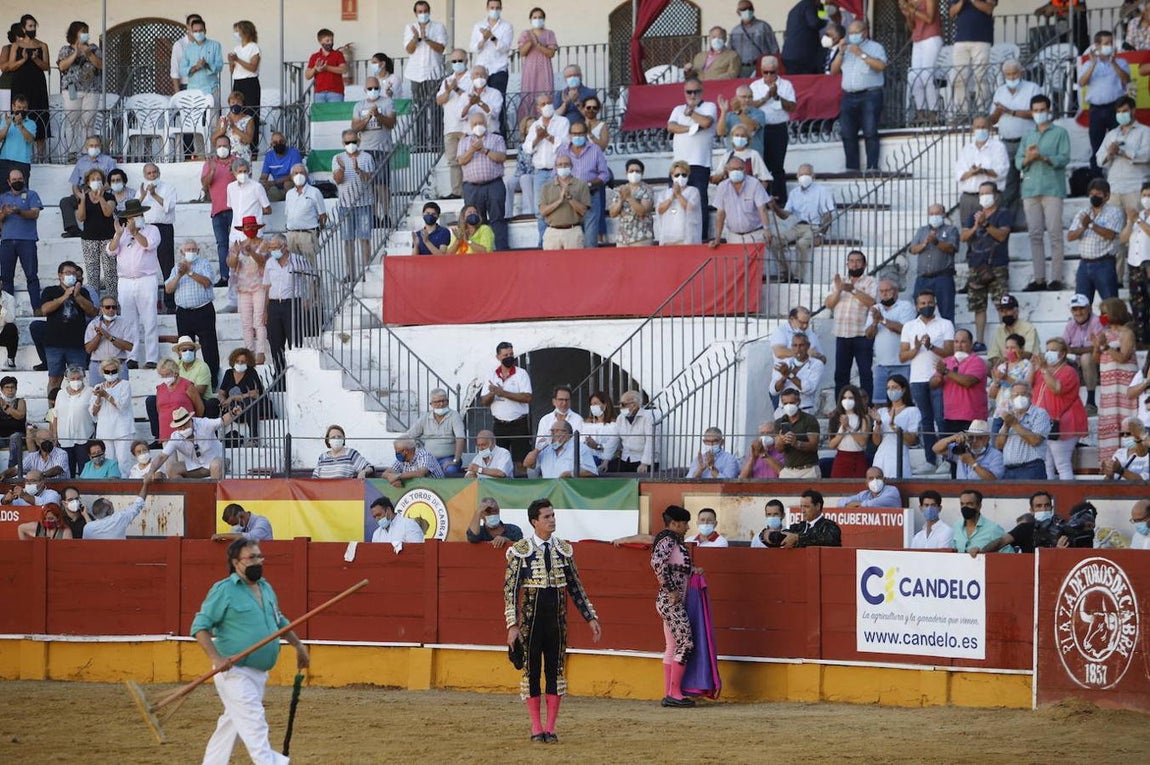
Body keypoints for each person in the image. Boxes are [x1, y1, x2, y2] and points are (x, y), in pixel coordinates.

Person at [191, 536, 308, 765]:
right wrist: (217, 659)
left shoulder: (265, 588)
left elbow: (280, 622)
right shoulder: (224, 590)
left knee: (232, 725)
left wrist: (298, 645)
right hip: (234, 671)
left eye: (259, 556)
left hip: (258, 673)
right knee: (254, 723)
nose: (258, 561)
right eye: (252, 557)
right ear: (236, 562)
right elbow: (199, 627)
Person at [504, 499, 601, 742]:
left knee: (556, 672)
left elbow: (575, 587)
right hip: (530, 622)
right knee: (532, 672)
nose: (552, 520)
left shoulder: (564, 550)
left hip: (557, 623)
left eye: (553, 515)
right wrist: (513, 626)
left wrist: (590, 617)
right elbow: (511, 591)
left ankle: (551, 728)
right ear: (534, 521)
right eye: (547, 517)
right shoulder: (520, 551)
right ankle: (536, 728)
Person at [1016, 94, 1070, 292]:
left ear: (1049, 111)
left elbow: (1064, 158)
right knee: (1035, 235)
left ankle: (1055, 278)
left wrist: (1044, 157)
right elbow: (1017, 162)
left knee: (1055, 234)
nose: (1039, 114)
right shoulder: (1027, 136)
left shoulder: (1060, 133)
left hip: (1052, 188)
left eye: (1042, 110)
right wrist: (1029, 158)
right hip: (1030, 189)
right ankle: (1039, 278)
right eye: (1035, 110)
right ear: (1031, 112)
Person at [900, 289, 954, 473]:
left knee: (941, 419)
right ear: (916, 306)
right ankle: (930, 461)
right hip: (917, 379)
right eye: (922, 303)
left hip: (939, 378)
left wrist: (931, 346)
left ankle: (947, 459)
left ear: (935, 303)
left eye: (930, 302)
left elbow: (949, 352)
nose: (926, 306)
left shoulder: (945, 324)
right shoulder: (909, 326)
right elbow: (902, 356)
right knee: (926, 421)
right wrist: (916, 349)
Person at [650, 504, 698, 708]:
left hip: (669, 601)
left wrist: (693, 570)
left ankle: (670, 692)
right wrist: (671, 590)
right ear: (674, 523)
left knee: (672, 646)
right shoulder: (668, 539)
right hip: (671, 602)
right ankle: (675, 693)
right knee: (685, 644)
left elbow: (672, 567)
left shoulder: (673, 540)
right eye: (685, 523)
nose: (687, 527)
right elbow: (657, 564)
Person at [106, 198, 159, 371]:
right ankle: (132, 356)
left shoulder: (152, 230)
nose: (134, 218)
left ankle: (152, 357)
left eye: (137, 215)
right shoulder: (122, 233)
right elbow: (111, 251)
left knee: (149, 319)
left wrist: (136, 232)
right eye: (131, 216)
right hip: (126, 281)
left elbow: (148, 245)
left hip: (146, 279)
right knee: (129, 322)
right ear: (127, 218)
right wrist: (120, 234)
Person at [960, 182, 1012, 348]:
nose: (983, 196)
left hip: (997, 265)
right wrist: (976, 225)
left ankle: (1006, 341)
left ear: (995, 195)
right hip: (976, 266)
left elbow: (1001, 236)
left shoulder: (1003, 214)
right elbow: (963, 237)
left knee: (1001, 305)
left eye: (986, 193)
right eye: (981, 193)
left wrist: (986, 224)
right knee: (978, 306)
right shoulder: (973, 216)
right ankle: (980, 341)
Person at [832, 20, 887, 173]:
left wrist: (860, 54)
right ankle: (852, 168)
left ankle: (872, 167)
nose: (852, 36)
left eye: (855, 32)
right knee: (847, 132)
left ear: (864, 33)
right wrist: (842, 52)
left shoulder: (876, 47)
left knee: (870, 131)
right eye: (850, 33)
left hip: (870, 94)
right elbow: (834, 70)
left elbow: (881, 66)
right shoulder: (845, 49)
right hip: (848, 96)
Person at [989, 59, 1041, 216]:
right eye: (1008, 74)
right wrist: (998, 112)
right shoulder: (1000, 91)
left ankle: (1034, 215)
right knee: (1009, 183)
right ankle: (1008, 220)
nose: (1011, 77)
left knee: (1032, 178)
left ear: (1021, 73)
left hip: (1028, 141)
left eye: (1014, 73)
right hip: (1006, 142)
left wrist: (1010, 111)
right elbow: (992, 120)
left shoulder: (1033, 89)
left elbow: (1037, 114)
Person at [666, 79, 717, 240]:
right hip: (678, 166)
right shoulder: (677, 109)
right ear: (684, 92)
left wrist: (691, 114)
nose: (693, 95)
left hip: (700, 163)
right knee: (674, 200)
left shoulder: (709, 106)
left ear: (702, 91)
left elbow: (707, 122)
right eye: (689, 92)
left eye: (696, 91)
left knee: (699, 203)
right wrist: (693, 128)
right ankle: (675, 235)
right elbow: (671, 127)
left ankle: (700, 237)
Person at [768, 164, 835, 283]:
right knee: (774, 242)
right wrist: (774, 206)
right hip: (798, 226)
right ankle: (785, 272)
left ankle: (798, 276)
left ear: (813, 176)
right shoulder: (794, 193)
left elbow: (828, 215)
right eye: (802, 174)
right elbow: (784, 215)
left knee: (801, 244)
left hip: (814, 227)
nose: (804, 176)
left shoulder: (822, 191)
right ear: (797, 176)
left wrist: (821, 235)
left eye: (807, 174)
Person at [165, 243, 220, 388]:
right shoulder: (176, 267)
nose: (190, 252)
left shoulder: (204, 264)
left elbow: (208, 282)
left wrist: (190, 272)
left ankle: (212, 380)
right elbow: (168, 289)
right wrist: (179, 275)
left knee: (209, 347)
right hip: (183, 313)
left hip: (203, 311)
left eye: (193, 249)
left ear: (198, 250)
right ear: (182, 251)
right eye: (188, 249)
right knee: (184, 347)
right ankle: (184, 381)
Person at [1033, 337, 1089, 480]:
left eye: (1053, 350)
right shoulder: (1042, 371)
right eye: (1047, 350)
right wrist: (1033, 367)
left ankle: (1069, 499)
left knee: (1062, 464)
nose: (1048, 353)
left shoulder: (1068, 371)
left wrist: (1044, 369)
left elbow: (1057, 388)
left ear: (1063, 353)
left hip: (1065, 423)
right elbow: (1027, 386)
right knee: (1047, 465)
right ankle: (1050, 499)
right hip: (1045, 424)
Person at [825, 250, 877, 398]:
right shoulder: (840, 280)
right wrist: (839, 290)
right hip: (842, 334)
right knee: (841, 374)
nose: (854, 264)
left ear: (865, 264)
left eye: (858, 261)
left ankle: (867, 409)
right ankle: (840, 410)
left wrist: (852, 289)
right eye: (851, 261)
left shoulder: (870, 281)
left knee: (865, 373)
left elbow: (871, 302)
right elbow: (829, 304)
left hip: (862, 335)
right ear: (847, 264)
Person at [42, 261, 98, 394]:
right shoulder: (50, 291)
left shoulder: (82, 291)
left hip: (77, 344)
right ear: (60, 276)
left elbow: (92, 312)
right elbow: (44, 310)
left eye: (73, 273)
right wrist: (64, 296)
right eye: (67, 273)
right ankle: (52, 411)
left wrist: (77, 296)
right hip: (54, 344)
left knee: (77, 379)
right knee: (54, 379)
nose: (71, 276)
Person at [1079, 30, 1131, 173]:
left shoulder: (1121, 62)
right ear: (1097, 45)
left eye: (1111, 43)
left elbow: (1126, 79)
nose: (1110, 45)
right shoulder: (1088, 64)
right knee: (1097, 145)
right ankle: (1097, 179)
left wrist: (1113, 63)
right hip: (1096, 110)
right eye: (1106, 43)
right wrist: (1093, 64)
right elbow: (1082, 82)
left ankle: (1122, 173)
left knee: (1120, 142)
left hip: (1116, 109)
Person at [147, 404, 244, 480]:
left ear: (190, 420)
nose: (183, 428)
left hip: (216, 462)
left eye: (185, 425)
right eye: (180, 427)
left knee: (216, 465)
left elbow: (222, 421)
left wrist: (233, 413)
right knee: (172, 470)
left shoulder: (204, 424)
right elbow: (162, 456)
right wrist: (151, 471)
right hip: (194, 467)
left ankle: (214, 497)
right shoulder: (176, 436)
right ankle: (188, 494)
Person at [1095, 297, 1138, 462]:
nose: (1103, 316)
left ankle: (1131, 460)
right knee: (1110, 423)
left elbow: (1123, 357)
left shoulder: (1127, 333)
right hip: (1108, 386)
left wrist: (1105, 346)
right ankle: (1110, 462)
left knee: (1126, 420)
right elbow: (1096, 359)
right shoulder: (1103, 334)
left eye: (1105, 313)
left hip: (1124, 383)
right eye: (1101, 313)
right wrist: (1096, 346)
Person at [1068, 178, 1124, 303]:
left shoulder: (1114, 212)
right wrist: (1083, 227)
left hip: (1104, 263)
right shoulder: (1083, 212)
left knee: (1110, 305)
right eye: (1092, 194)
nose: (1094, 197)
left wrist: (1091, 224)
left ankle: (1110, 323)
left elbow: (1110, 234)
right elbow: (1070, 236)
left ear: (1107, 196)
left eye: (1098, 194)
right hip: (1084, 264)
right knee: (1081, 304)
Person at [459, 112, 509, 251]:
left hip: (494, 184)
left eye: (480, 123)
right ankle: (478, 251)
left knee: (497, 218)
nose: (478, 126)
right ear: (470, 126)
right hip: (472, 187)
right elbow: (461, 160)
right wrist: (472, 149)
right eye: (475, 124)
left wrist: (484, 150)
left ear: (486, 124)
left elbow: (501, 157)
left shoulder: (496, 139)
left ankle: (501, 251)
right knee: (474, 221)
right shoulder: (464, 142)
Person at [748, 56, 794, 203]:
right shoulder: (755, 86)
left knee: (777, 166)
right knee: (761, 165)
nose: (768, 76)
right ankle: (762, 199)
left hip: (778, 128)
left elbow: (792, 107)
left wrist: (778, 97)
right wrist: (766, 98)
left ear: (777, 71)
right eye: (765, 72)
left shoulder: (786, 85)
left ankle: (780, 200)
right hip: (760, 130)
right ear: (761, 71)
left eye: (771, 72)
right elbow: (748, 105)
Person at [931, 328, 988, 447]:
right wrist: (940, 375)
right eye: (956, 342)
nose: (959, 345)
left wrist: (946, 371)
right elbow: (933, 384)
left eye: (963, 342)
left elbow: (968, 382)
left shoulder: (977, 361)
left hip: (973, 418)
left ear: (971, 344)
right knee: (952, 455)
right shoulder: (947, 361)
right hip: (950, 416)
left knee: (972, 453)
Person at [954, 116, 1010, 235]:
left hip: (991, 198)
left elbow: (1001, 172)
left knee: (993, 232)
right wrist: (972, 172)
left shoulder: (998, 147)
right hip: (970, 198)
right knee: (969, 233)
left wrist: (984, 171)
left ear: (990, 128)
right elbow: (959, 175)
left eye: (983, 127)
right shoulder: (967, 149)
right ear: (973, 129)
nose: (980, 130)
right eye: (977, 127)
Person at [332, 129, 376, 280]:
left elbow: (369, 179)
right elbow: (337, 180)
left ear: (359, 141)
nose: (351, 144)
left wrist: (358, 170)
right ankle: (350, 273)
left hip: (364, 204)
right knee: (348, 241)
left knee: (364, 239)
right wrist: (343, 169)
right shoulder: (337, 158)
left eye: (353, 141)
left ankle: (367, 271)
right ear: (342, 143)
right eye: (347, 142)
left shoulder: (367, 158)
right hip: (345, 205)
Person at [558, 121, 609, 249]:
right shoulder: (563, 150)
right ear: (570, 135)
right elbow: (555, 173)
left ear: (586, 134)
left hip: (590, 194)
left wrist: (590, 183)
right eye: (574, 134)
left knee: (590, 236)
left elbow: (604, 174)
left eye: (580, 133)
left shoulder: (595, 149)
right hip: (569, 197)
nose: (577, 136)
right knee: (571, 236)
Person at [57, 21, 103, 159]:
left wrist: (88, 54)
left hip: (91, 90)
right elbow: (62, 66)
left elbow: (100, 65)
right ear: (74, 33)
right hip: (72, 90)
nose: (85, 34)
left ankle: (87, 151)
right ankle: (71, 152)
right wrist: (76, 53)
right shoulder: (66, 50)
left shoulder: (94, 48)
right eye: (82, 31)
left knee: (88, 122)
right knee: (72, 121)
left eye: (86, 31)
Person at [404, 1, 448, 145]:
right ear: (415, 13)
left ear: (429, 11)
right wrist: (416, 39)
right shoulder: (410, 28)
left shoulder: (438, 27)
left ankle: (436, 143)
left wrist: (427, 39)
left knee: (436, 110)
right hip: (416, 74)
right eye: (420, 11)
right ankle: (420, 143)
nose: (423, 14)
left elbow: (441, 48)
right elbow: (409, 50)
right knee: (419, 110)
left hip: (433, 73)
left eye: (425, 11)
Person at [483, 342, 533, 468]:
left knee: (521, 463)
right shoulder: (491, 375)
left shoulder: (521, 374)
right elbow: (484, 401)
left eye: (511, 354)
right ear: (498, 357)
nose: (509, 357)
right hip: (499, 424)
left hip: (519, 424)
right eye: (505, 355)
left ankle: (522, 486)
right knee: (498, 462)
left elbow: (527, 397)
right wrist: (493, 393)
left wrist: (503, 393)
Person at [0, 167, 42, 317]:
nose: (17, 181)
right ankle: (7, 311)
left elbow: (35, 213)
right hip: (7, 241)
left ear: (23, 179)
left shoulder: (32, 194)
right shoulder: (3, 198)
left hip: (27, 240)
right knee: (6, 278)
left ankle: (37, 308)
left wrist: (19, 212)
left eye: (19, 179)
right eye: (14, 180)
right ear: (8, 182)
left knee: (31, 275)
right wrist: (4, 213)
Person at [969, 491, 1066, 556]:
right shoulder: (1024, 529)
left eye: (1047, 505)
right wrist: (982, 551)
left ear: (1052, 509)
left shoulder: (1063, 528)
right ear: (1032, 511)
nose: (1043, 509)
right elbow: (1001, 541)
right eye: (1039, 506)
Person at [58, 134, 117, 240]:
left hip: (100, 192)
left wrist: (100, 190)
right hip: (83, 191)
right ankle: (72, 229)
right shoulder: (81, 162)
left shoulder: (109, 161)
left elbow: (112, 181)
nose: (94, 148)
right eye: (91, 146)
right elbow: (75, 183)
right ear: (86, 147)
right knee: (65, 202)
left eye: (96, 145)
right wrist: (79, 196)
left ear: (101, 146)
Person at [868, 279, 916, 405]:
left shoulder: (906, 306)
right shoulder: (875, 308)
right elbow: (868, 335)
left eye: (888, 290)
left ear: (896, 292)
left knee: (904, 401)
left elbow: (905, 330)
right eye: (881, 291)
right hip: (881, 365)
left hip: (902, 364)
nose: (884, 294)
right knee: (879, 402)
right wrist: (874, 322)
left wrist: (882, 320)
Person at [470, 0, 514, 137]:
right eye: (492, 7)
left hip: (498, 69)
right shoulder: (478, 25)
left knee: (497, 106)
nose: (494, 10)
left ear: (501, 8)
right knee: (479, 103)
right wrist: (483, 39)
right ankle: (480, 135)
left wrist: (492, 38)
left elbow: (505, 48)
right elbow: (473, 48)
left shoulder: (507, 26)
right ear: (487, 8)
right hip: (482, 71)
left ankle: (500, 138)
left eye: (497, 8)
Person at [709, 156, 772, 251]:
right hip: (733, 237)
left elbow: (762, 208)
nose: (736, 171)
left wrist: (767, 229)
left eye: (740, 169)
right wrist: (717, 238)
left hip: (755, 235)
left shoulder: (754, 184)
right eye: (733, 169)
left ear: (745, 169)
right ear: (727, 170)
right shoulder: (722, 187)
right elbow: (720, 214)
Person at [8, 16, 49, 161]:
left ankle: (41, 156)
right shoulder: (16, 45)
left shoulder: (42, 45)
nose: (32, 29)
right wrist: (23, 59)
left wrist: (36, 59)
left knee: (40, 115)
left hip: (37, 84)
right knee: (21, 114)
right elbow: (10, 66)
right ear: (24, 28)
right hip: (20, 83)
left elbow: (46, 67)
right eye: (30, 26)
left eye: (34, 26)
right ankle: (19, 152)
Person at [908, 203, 959, 322]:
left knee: (947, 312)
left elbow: (952, 248)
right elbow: (912, 249)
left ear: (944, 214)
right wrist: (924, 244)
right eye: (931, 214)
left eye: (937, 213)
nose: (934, 216)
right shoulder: (922, 231)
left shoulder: (951, 230)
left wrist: (936, 242)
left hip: (943, 277)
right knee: (920, 312)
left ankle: (949, 338)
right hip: (923, 278)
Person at [75, 167, 118, 298]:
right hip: (89, 240)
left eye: (99, 179)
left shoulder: (110, 197)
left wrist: (100, 198)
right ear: (88, 182)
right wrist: (82, 200)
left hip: (108, 239)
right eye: (93, 179)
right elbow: (81, 217)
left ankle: (113, 304)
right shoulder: (84, 198)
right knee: (92, 274)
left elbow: (108, 212)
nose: (96, 181)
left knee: (110, 274)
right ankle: (94, 304)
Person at [994, 381, 1051, 479]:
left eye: (1023, 394)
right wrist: (1007, 426)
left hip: (1031, 468)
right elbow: (999, 445)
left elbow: (1035, 440)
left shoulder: (1040, 414)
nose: (1019, 397)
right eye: (1016, 395)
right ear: (1011, 398)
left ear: (1030, 396)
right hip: (1009, 470)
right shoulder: (1010, 414)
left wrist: (1014, 424)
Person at [948, 0, 995, 117]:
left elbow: (989, 9)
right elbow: (951, 12)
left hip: (982, 39)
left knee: (981, 77)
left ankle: (982, 111)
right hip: (961, 39)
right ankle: (961, 113)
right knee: (959, 77)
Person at [201, 136, 236, 288]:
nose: (222, 148)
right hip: (217, 211)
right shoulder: (209, 164)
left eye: (225, 145)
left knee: (237, 243)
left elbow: (244, 179)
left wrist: (233, 171)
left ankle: (237, 276)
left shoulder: (237, 161)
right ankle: (224, 276)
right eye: (219, 145)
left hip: (236, 210)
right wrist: (212, 171)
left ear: (230, 146)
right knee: (222, 245)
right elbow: (204, 184)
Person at [88, 358, 133, 474]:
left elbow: (122, 405)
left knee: (124, 461)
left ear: (118, 370)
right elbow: (93, 412)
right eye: (107, 372)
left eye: (113, 371)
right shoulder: (98, 387)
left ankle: (126, 487)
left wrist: (106, 395)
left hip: (122, 428)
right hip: (105, 429)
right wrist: (99, 396)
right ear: (102, 372)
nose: (111, 374)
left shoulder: (125, 385)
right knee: (108, 461)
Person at [438, 48, 473, 199]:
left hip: (466, 125)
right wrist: (448, 91)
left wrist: (456, 89)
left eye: (460, 60)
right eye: (454, 61)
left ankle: (470, 189)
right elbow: (439, 100)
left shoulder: (472, 78)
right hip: (450, 126)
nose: (457, 63)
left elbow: (471, 97)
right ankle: (457, 191)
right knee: (453, 161)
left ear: (466, 61)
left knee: (468, 158)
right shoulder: (447, 80)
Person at [872, 374, 922, 479]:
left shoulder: (912, 411)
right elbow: (876, 442)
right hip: (881, 456)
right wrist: (878, 424)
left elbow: (911, 440)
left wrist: (895, 427)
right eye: (888, 388)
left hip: (899, 456)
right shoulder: (882, 411)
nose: (891, 391)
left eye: (894, 387)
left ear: (903, 390)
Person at [405, 389, 465, 476]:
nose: (441, 404)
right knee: (416, 472)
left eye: (443, 401)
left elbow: (460, 438)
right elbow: (409, 435)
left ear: (447, 402)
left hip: (448, 458)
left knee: (450, 471)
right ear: (431, 404)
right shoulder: (425, 417)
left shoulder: (454, 416)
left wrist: (455, 460)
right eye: (437, 402)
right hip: (427, 459)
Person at [1062, 294, 1104, 415]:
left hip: (1097, 361)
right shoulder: (1070, 324)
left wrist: (1074, 350)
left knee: (1086, 357)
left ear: (1089, 308)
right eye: (1075, 309)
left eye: (1081, 308)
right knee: (1055, 358)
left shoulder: (1097, 321)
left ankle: (1091, 402)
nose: (1078, 312)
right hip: (1078, 364)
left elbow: (1097, 347)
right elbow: (1063, 346)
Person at [901, 0, 942, 121]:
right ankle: (921, 112)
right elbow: (912, 26)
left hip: (931, 38)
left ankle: (934, 112)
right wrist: (908, 15)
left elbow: (929, 18)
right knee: (915, 77)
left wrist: (913, 10)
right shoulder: (911, 2)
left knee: (926, 76)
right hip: (917, 40)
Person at [538, 154, 590, 250]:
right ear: (555, 167)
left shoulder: (581, 185)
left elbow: (583, 211)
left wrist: (570, 198)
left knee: (574, 265)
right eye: (560, 164)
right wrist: (559, 201)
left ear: (571, 166)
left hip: (573, 231)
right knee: (551, 264)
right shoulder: (546, 187)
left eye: (566, 164)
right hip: (552, 232)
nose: (563, 167)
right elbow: (543, 211)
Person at [516, 8, 558, 123]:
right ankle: (527, 127)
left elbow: (551, 53)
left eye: (540, 17)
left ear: (544, 19)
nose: (537, 19)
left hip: (544, 70)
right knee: (528, 97)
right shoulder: (525, 34)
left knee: (545, 95)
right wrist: (530, 41)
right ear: (530, 19)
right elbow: (522, 52)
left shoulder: (549, 34)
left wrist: (538, 44)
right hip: (530, 71)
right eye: (535, 17)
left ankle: (547, 123)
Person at [217, 348, 263, 445]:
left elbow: (255, 393)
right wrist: (222, 399)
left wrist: (233, 398)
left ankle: (254, 438)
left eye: (243, 362)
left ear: (248, 362)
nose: (240, 364)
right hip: (231, 411)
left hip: (247, 411)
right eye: (237, 361)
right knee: (212, 403)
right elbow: (221, 392)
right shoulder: (229, 373)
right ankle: (215, 438)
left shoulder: (251, 373)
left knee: (249, 401)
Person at [53, 366, 94, 476]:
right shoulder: (61, 393)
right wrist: (55, 435)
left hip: (84, 436)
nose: (76, 381)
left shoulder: (90, 391)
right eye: (73, 378)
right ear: (67, 379)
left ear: (83, 378)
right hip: (64, 438)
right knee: (66, 469)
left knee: (84, 468)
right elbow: (55, 415)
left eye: (78, 378)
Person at [771, 332, 825, 414]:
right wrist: (784, 377)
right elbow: (773, 390)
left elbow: (808, 389)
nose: (798, 349)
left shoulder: (816, 364)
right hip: (783, 411)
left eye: (801, 345)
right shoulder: (784, 363)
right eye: (795, 345)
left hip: (805, 410)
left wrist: (790, 374)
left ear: (808, 346)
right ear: (791, 347)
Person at [988, 331, 1032, 433]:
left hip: (1017, 413)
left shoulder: (1026, 365)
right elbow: (992, 395)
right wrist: (996, 381)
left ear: (1021, 349)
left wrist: (1006, 378)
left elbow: (1026, 386)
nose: (1009, 350)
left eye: (1013, 348)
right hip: (1000, 413)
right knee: (996, 445)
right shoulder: (1002, 366)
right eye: (1007, 348)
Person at [83, 476, 152, 540]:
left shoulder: (88, 527)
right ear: (109, 511)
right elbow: (138, 505)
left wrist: (85, 515)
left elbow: (92, 527)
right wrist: (145, 484)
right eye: (111, 504)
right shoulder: (119, 518)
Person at [775, 387, 821, 479]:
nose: (788, 406)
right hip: (788, 470)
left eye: (791, 403)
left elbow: (814, 446)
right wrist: (781, 441)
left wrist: (796, 443)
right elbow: (778, 449)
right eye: (785, 403)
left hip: (808, 470)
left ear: (798, 402)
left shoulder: (809, 420)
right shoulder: (779, 422)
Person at [284, 165, 327, 263]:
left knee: (310, 266)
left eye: (301, 173)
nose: (299, 175)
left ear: (306, 175)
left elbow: (323, 216)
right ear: (291, 176)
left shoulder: (314, 192)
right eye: (296, 173)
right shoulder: (289, 194)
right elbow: (288, 214)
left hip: (308, 234)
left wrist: (316, 232)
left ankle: (314, 279)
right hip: (291, 235)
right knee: (293, 266)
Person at [524, 421, 598, 478]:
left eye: (556, 431)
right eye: (551, 431)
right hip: (549, 491)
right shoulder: (546, 448)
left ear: (566, 433)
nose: (552, 434)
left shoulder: (580, 448)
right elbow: (528, 464)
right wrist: (537, 449)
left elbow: (592, 472)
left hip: (569, 490)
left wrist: (570, 473)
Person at [1125, 180, 1150, 345]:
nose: (1146, 198)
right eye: (1144, 195)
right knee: (1137, 303)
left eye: (1149, 195)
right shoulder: (1138, 215)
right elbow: (1122, 238)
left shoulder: (1140, 219)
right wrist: (1130, 221)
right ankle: (1142, 340)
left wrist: (1138, 222)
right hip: (1134, 264)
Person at [608, 160, 655, 247]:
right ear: (626, 173)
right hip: (623, 239)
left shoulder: (647, 190)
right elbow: (612, 213)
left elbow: (642, 211)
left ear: (642, 173)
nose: (634, 173)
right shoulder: (620, 189)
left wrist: (629, 197)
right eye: (631, 171)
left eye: (637, 171)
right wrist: (621, 200)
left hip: (642, 238)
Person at [828, 385, 872, 478]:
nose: (847, 401)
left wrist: (848, 427)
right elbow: (831, 444)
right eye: (844, 398)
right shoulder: (835, 418)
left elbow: (863, 441)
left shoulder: (864, 418)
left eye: (850, 398)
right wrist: (842, 432)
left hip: (858, 459)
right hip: (841, 459)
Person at [655, 161, 702, 246]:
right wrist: (671, 197)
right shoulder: (664, 193)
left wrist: (678, 194)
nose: (680, 177)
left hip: (687, 238)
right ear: (672, 176)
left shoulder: (693, 191)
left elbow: (690, 208)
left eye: (684, 175)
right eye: (677, 175)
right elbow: (660, 210)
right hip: (668, 238)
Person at [952, 488, 1010, 554]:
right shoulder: (956, 526)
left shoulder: (993, 529)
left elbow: (1008, 555)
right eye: (962, 504)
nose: (965, 507)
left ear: (979, 506)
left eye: (969, 504)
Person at [181, 17, 224, 104]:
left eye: (200, 30)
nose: (198, 33)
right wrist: (196, 67)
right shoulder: (188, 48)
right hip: (193, 90)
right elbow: (182, 70)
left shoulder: (215, 45)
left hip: (211, 88)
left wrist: (206, 65)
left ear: (205, 31)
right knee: (194, 117)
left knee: (212, 116)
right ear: (192, 32)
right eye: (195, 31)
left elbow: (219, 66)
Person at [783, 0, 831, 75]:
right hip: (803, 56)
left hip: (789, 54)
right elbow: (815, 23)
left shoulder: (796, 9)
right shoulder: (809, 5)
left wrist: (822, 6)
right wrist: (825, 21)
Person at [731, 2, 779, 78]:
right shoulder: (735, 31)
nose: (747, 11)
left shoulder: (763, 26)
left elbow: (774, 48)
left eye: (750, 8)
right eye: (744, 9)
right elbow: (731, 52)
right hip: (742, 68)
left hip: (761, 66)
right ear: (738, 12)